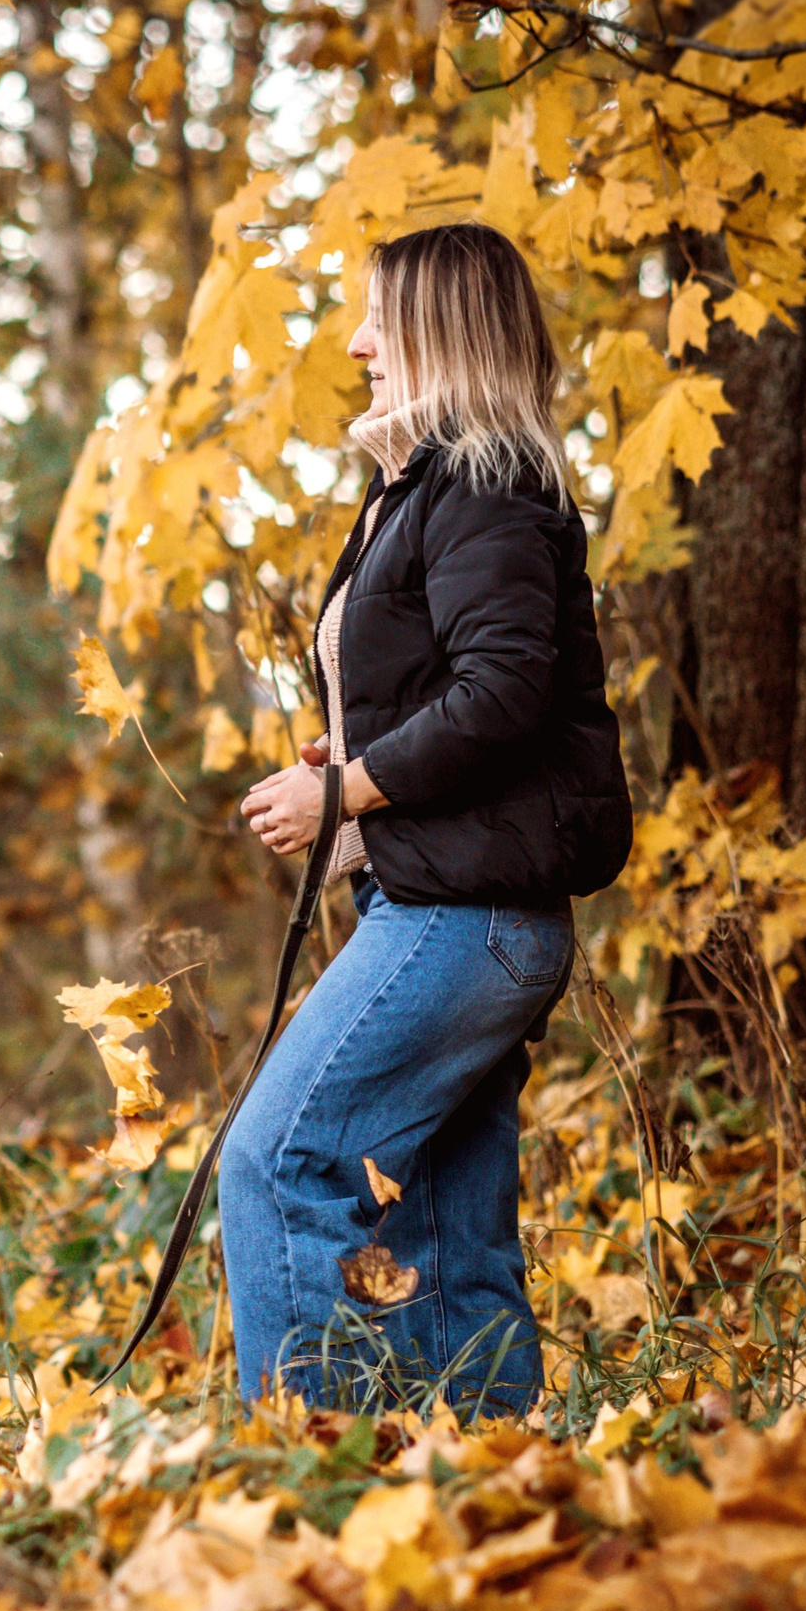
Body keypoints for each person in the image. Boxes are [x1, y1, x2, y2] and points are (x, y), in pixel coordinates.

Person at [224, 222, 633, 1415]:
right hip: (460, 905)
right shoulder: (433, 488)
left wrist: (345, 787)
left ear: (439, 333)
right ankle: (499, 1504)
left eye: (376, 321)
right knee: (452, 1238)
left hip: (467, 916)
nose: (355, 344)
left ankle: (306, 1473)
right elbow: (462, 686)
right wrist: (355, 752)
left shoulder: (485, 484)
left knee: (280, 1162)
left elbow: (502, 690)